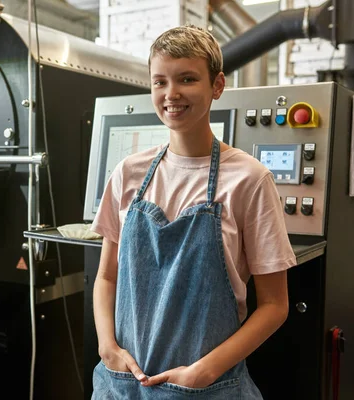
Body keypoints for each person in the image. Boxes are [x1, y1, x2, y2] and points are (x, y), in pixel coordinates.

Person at [90, 25, 297, 399]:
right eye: (159, 82)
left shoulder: (250, 179)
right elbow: (106, 277)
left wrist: (206, 370)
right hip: (122, 385)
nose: (171, 94)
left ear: (217, 86)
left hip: (207, 388)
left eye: (187, 79)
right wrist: (108, 346)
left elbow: (275, 304)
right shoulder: (128, 173)